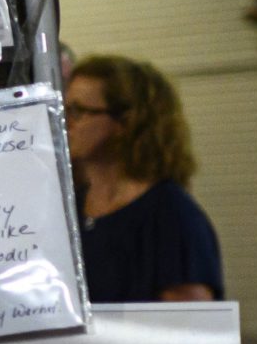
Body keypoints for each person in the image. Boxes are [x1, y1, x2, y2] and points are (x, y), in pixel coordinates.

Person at [66, 54, 223, 304]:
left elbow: (191, 322)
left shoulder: (171, 215)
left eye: (77, 111)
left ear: (125, 122)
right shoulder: (70, 209)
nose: (65, 122)